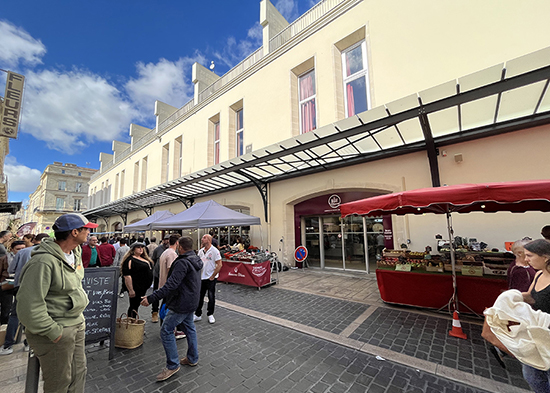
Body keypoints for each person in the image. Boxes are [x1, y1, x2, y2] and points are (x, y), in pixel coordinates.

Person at [16, 213, 97, 393]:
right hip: (57, 329)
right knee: (59, 381)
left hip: (76, 324)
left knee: (78, 373)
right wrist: (54, 331)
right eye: (87, 230)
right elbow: (28, 305)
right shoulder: (43, 261)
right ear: (74, 232)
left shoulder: (74, 253)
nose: (90, 233)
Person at [140, 236, 203, 382]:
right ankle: (193, 358)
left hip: (181, 303)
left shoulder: (182, 262)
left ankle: (172, 365)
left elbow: (171, 284)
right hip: (192, 301)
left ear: (180, 247)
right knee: (189, 328)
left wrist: (151, 298)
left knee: (166, 330)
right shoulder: (195, 259)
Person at [0, 233, 49, 355]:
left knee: (15, 315)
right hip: (40, 288)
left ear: (34, 240)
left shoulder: (23, 252)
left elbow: (11, 270)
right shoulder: (49, 253)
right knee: (35, 315)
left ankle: (8, 345)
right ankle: (29, 343)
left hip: (21, 286)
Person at [194, 234, 222, 324]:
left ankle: (210, 314)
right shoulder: (201, 251)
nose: (202, 239)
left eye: (204, 238)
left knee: (211, 296)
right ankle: (198, 314)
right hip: (201, 277)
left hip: (210, 278)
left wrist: (213, 275)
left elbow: (219, 264)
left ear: (209, 240)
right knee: (200, 296)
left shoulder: (215, 251)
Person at [121, 242, 153, 318]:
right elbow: (127, 276)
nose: (141, 249)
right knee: (133, 306)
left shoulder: (145, 258)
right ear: (133, 249)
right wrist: (131, 290)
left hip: (143, 287)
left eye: (142, 247)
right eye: (138, 247)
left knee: (136, 306)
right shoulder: (130, 260)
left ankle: (133, 322)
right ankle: (131, 323)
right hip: (136, 287)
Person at [151, 235, 170, 322]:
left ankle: (165, 313)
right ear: (163, 240)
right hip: (158, 275)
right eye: (166, 240)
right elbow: (153, 260)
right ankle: (154, 312)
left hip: (169, 277)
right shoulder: (158, 249)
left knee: (167, 296)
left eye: (169, 240)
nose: (167, 241)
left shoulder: (174, 250)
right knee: (156, 293)